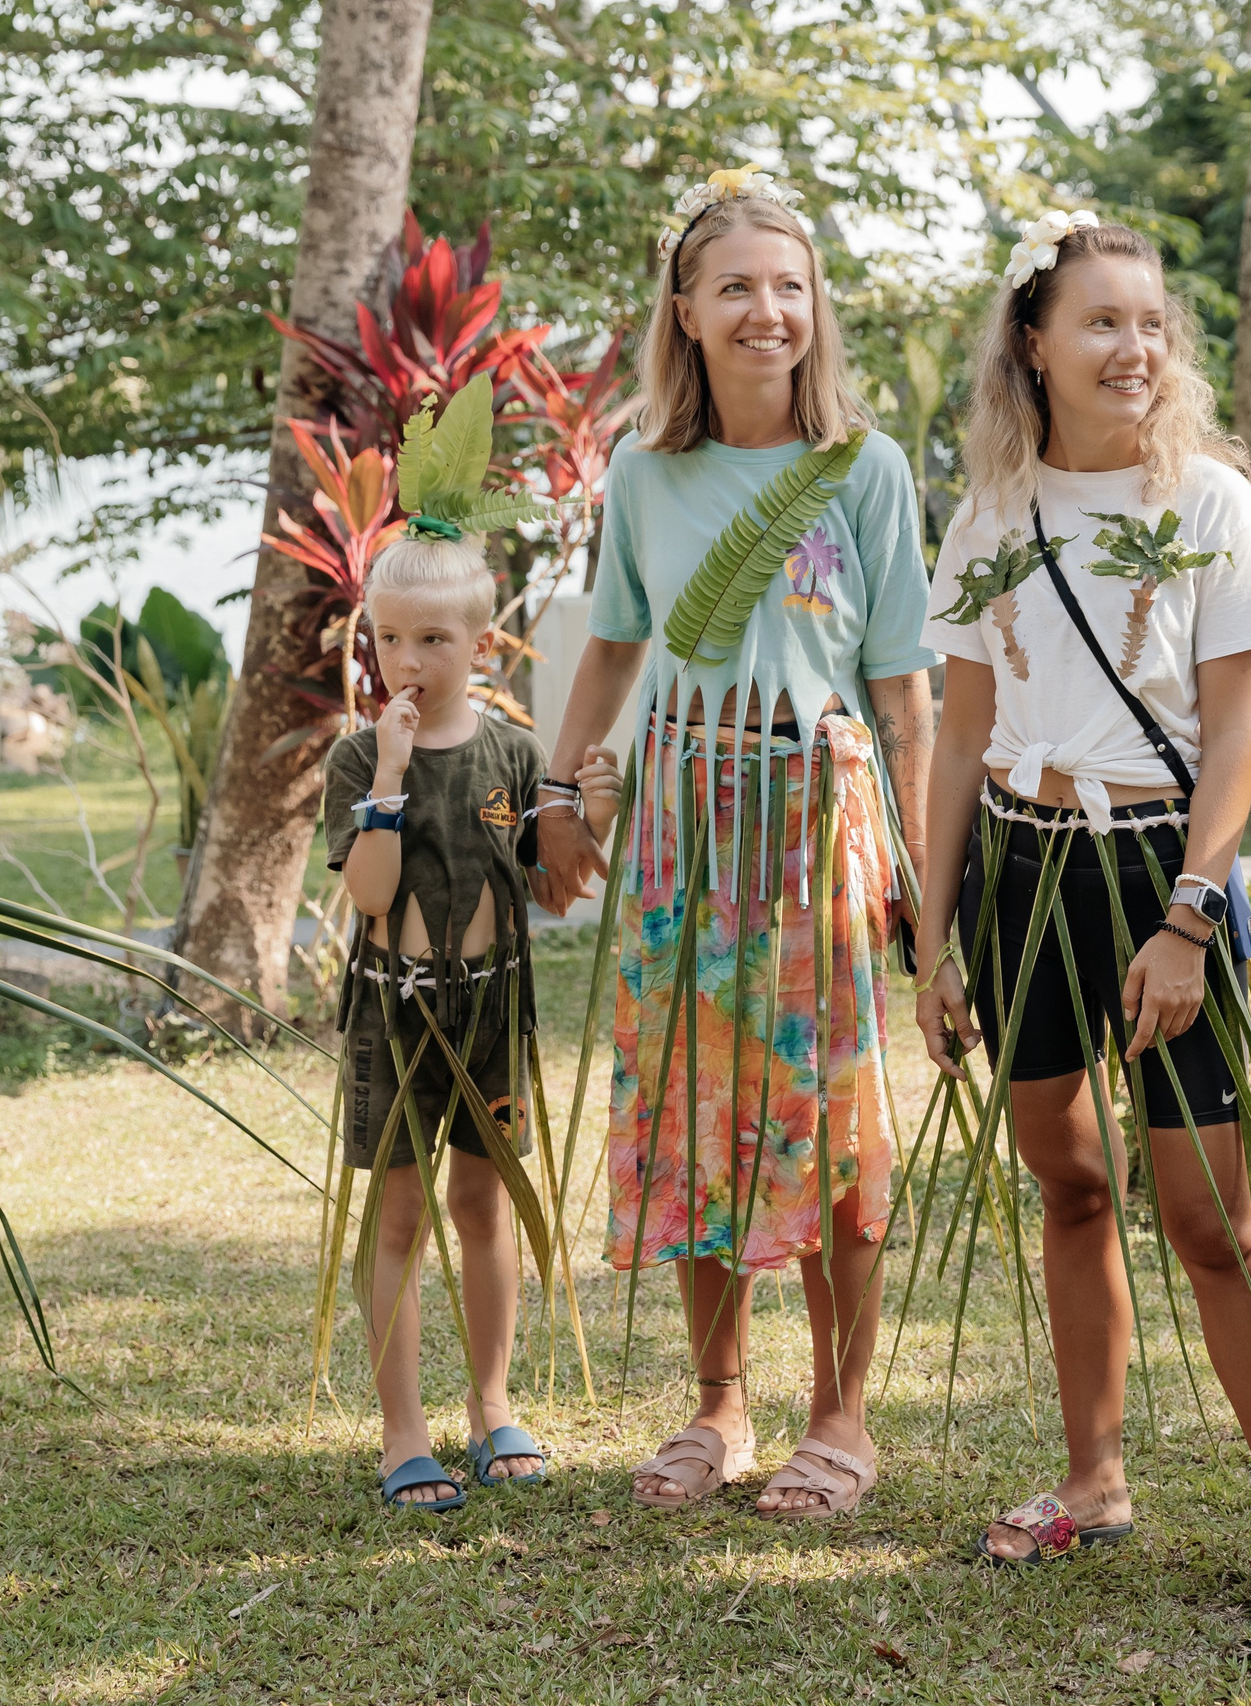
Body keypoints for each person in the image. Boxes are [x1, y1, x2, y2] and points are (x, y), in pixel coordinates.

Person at [910, 213, 1251, 1625]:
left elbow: (1236, 739)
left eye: (1151, 322)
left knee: (1209, 1214)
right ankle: (1092, 1481)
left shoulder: (1209, 502)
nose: (1134, 347)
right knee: (1068, 1180)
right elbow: (956, 738)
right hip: (1020, 875)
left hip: (1162, 874)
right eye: (1101, 321)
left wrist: (1190, 919)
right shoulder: (987, 513)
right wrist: (933, 939)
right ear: (1032, 344)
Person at [530, 168, 936, 1518]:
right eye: (737, 288)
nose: (769, 311)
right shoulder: (645, 473)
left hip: (821, 825)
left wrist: (919, 869)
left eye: (790, 286)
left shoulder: (866, 469)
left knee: (827, 1120)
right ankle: (718, 1405)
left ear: (817, 307)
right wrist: (555, 794)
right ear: (686, 312)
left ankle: (841, 1418)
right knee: (695, 1114)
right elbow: (612, 647)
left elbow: (903, 689)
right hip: (681, 829)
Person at [324, 518, 619, 1509]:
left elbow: (551, 889)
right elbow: (372, 892)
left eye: (433, 639)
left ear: (481, 644)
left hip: (493, 1009)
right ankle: (402, 1431)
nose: (407, 660)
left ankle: (491, 1401)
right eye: (389, 638)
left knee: (485, 1204)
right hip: (395, 1018)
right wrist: (392, 777)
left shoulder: (514, 753)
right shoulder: (358, 758)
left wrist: (593, 815)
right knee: (399, 1215)